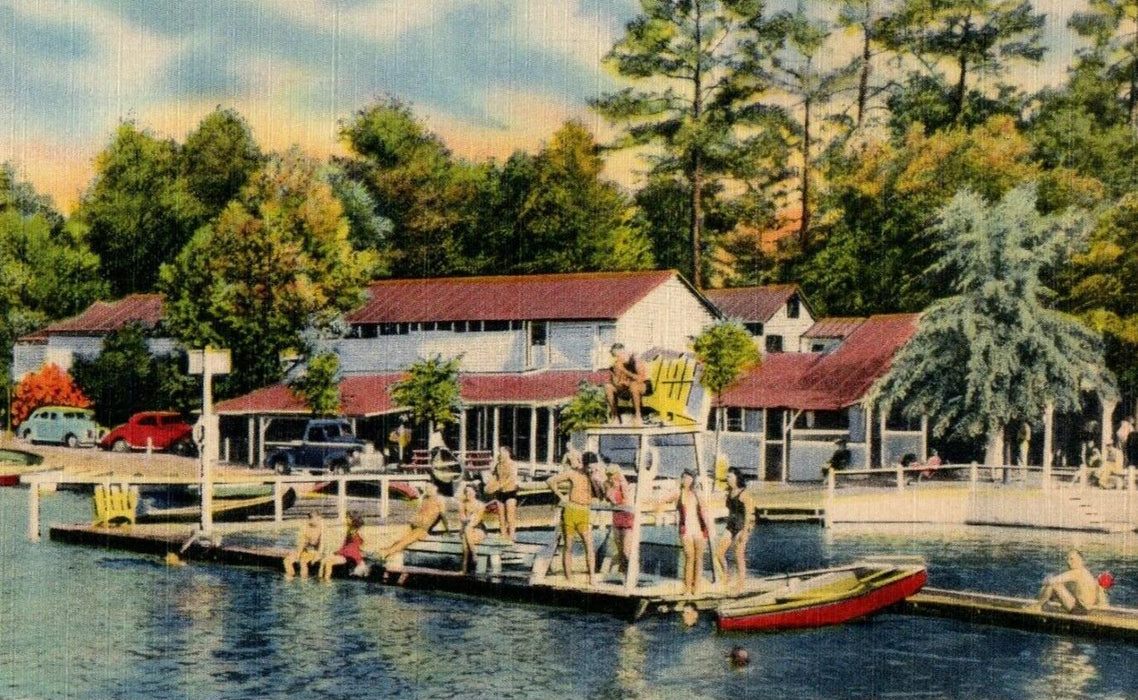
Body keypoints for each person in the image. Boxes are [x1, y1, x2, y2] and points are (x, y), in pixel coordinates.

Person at [659, 468, 713, 596]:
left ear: (693, 480)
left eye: (689, 478)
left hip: (699, 528)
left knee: (699, 558)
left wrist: (710, 527)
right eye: (684, 478)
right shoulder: (679, 492)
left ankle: (697, 587)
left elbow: (705, 510)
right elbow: (663, 500)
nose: (686, 480)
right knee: (689, 556)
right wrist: (660, 512)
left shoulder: (698, 493)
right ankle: (688, 588)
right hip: (686, 529)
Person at [546, 454, 597, 586]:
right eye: (589, 467)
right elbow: (551, 481)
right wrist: (561, 496)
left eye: (593, 467)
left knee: (589, 544)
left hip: (584, 511)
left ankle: (592, 576)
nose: (591, 470)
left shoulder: (594, 476)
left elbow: (600, 493)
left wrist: (594, 478)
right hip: (571, 510)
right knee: (568, 545)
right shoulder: (573, 473)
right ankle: (568, 578)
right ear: (584, 465)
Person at [378, 482, 449, 560]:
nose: (427, 490)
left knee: (405, 541)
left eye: (429, 488)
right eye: (426, 488)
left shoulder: (439, 499)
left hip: (422, 527)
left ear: (436, 488)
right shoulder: (425, 498)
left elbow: (443, 515)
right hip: (417, 524)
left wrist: (447, 529)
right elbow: (422, 511)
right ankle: (386, 551)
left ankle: (386, 552)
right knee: (401, 539)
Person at [714, 468, 755, 590]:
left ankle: (740, 584)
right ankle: (727, 576)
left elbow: (749, 514)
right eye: (727, 477)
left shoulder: (744, 494)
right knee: (719, 553)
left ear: (737, 478)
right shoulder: (729, 492)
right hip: (731, 526)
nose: (728, 479)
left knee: (738, 555)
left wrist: (745, 532)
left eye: (730, 477)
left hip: (742, 527)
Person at [1034, 549, 1108, 614]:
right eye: (1067, 559)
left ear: (1080, 560)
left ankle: (1037, 606)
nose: (1068, 562)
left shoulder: (1076, 573)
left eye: (1072, 559)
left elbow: (1051, 581)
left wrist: (1047, 580)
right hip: (1089, 610)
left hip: (1080, 610)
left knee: (1054, 585)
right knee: (1056, 588)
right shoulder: (1087, 573)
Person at [605, 343, 649, 425]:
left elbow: (641, 379)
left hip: (642, 386)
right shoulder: (616, 364)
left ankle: (638, 416)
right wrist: (619, 381)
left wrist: (624, 371)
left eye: (618, 355)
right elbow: (616, 382)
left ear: (623, 352)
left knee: (634, 385)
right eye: (615, 356)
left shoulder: (635, 360)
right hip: (626, 388)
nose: (617, 358)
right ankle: (615, 416)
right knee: (608, 386)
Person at [603, 463, 635, 575]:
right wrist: (611, 489)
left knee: (626, 549)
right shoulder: (608, 484)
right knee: (619, 548)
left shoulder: (622, 483)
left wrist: (617, 488)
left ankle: (627, 572)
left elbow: (626, 499)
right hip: (616, 516)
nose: (610, 477)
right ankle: (621, 572)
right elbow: (608, 499)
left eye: (612, 474)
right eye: (609, 475)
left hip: (627, 516)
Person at [319, 513, 367, 580]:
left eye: (348, 518)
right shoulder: (350, 530)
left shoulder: (357, 531)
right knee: (324, 561)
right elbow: (346, 544)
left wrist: (361, 549)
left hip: (350, 556)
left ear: (353, 520)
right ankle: (322, 579)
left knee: (328, 563)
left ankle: (326, 581)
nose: (346, 520)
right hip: (345, 553)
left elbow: (363, 542)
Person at [458, 483, 488, 575]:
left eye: (471, 492)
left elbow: (476, 521)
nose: (469, 494)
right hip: (466, 529)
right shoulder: (463, 504)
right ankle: (472, 560)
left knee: (467, 531)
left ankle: (465, 569)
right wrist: (468, 519)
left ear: (475, 492)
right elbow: (462, 518)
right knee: (466, 539)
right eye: (467, 492)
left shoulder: (481, 505)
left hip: (479, 529)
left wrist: (469, 521)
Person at [284, 511, 324, 578]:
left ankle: (304, 580)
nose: (318, 521)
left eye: (318, 519)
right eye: (316, 519)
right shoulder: (305, 528)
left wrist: (318, 554)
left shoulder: (321, 528)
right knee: (287, 560)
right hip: (306, 551)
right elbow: (302, 544)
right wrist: (298, 554)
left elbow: (323, 543)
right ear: (310, 519)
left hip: (315, 552)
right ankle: (290, 575)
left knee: (303, 561)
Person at [492, 446, 519, 542]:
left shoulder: (513, 464)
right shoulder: (498, 465)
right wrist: (491, 486)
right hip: (500, 492)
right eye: (500, 452)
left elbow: (512, 477)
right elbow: (495, 477)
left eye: (501, 452)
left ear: (508, 453)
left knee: (510, 516)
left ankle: (512, 535)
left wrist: (501, 485)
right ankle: (503, 535)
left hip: (510, 491)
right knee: (501, 517)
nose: (500, 453)